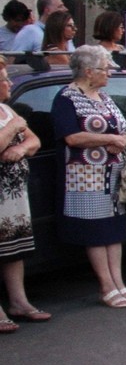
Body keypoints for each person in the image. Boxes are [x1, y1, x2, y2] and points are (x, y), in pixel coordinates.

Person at [52, 46, 126, 307]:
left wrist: (120, 139)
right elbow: (71, 137)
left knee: (114, 230)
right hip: (84, 176)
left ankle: (119, 283)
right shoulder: (67, 98)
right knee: (96, 231)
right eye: (105, 69)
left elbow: (121, 127)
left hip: (112, 174)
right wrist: (109, 140)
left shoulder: (104, 96)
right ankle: (106, 286)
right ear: (88, 71)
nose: (109, 73)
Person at [0, 56, 49, 333]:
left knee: (13, 249)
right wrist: (13, 128)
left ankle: (19, 301)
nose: (8, 83)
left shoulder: (7, 110)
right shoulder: (12, 119)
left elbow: (34, 140)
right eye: (4, 79)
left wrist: (20, 148)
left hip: (14, 195)